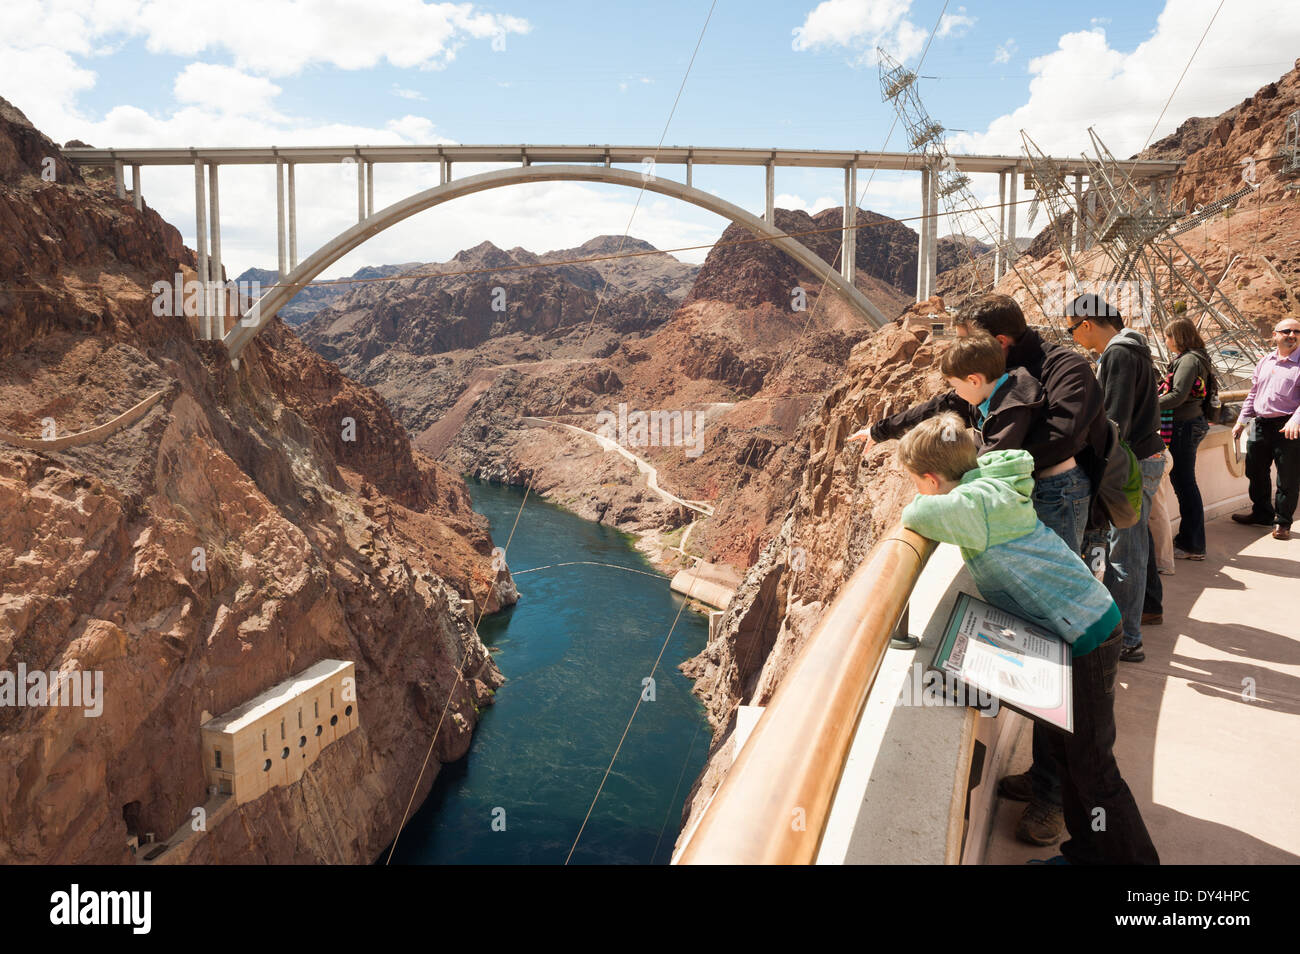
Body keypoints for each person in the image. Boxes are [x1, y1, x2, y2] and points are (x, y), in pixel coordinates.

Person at [850, 294, 1108, 847]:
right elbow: (946, 403)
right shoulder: (996, 380)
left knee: (1051, 650)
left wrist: (977, 477)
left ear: (998, 346)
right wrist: (882, 431)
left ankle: (1053, 800)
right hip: (1023, 497)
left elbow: (1062, 437)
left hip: (1060, 496)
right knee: (1044, 643)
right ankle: (1045, 779)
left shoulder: (1060, 367)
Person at [896, 413, 1159, 865]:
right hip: (1083, 625)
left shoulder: (974, 506)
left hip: (1088, 637)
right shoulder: (991, 489)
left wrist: (923, 497)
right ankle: (1085, 853)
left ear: (930, 478)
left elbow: (916, 513)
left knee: (1094, 768)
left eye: (918, 480)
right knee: (1066, 750)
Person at [1065, 294, 1166, 663]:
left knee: (1126, 552)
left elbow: (1113, 422)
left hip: (1133, 463)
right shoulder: (1134, 347)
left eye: (1072, 329)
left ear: (1086, 324)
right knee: (1136, 543)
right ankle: (1148, 609)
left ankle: (1128, 639)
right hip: (1146, 457)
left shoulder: (1118, 354)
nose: (1074, 337)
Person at [1232, 317, 1300, 540]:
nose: (1292, 335)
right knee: (1255, 471)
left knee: (1287, 477)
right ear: (1275, 335)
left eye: (1297, 332)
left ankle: (1282, 523)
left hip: (1288, 426)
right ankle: (1261, 513)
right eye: (1287, 331)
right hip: (1260, 424)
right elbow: (1253, 393)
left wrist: (1295, 420)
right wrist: (1241, 421)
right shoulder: (1265, 361)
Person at [1158, 319, 1215, 559]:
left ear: (1178, 337)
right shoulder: (1197, 357)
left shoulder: (1189, 360)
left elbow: (1177, 396)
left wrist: (1145, 404)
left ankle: (1192, 544)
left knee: (1184, 484)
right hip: (1191, 423)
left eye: (1168, 337)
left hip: (1184, 426)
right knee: (1185, 484)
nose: (1166, 342)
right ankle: (1191, 540)